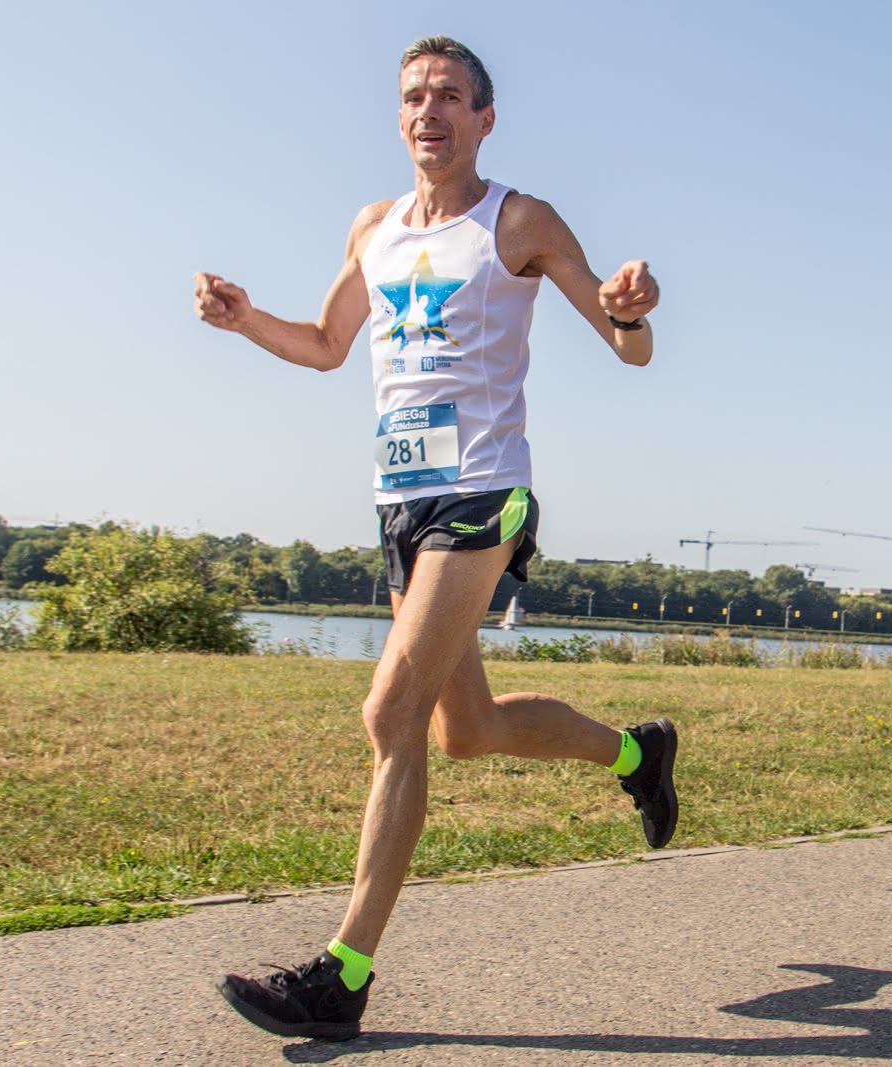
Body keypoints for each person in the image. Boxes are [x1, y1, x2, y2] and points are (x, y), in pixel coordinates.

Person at [195, 35, 675, 1042]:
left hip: (482, 496)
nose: (429, 109)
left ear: (483, 119)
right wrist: (246, 323)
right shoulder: (373, 226)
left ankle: (343, 976)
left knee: (391, 709)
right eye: (414, 96)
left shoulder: (519, 221)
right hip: (402, 505)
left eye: (450, 95)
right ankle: (639, 750)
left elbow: (623, 343)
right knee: (467, 728)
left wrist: (631, 314)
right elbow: (327, 345)